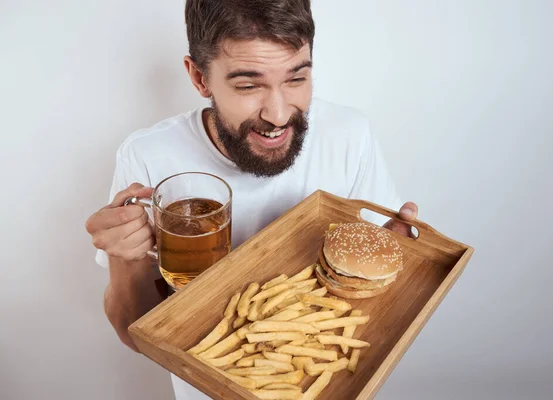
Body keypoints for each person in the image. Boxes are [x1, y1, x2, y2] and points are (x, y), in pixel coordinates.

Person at [85, 0, 419, 398]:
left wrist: (395, 261)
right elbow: (132, 332)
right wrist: (128, 260)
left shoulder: (349, 134)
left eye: (296, 79)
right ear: (199, 77)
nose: (278, 114)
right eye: (248, 85)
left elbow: (367, 297)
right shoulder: (147, 156)